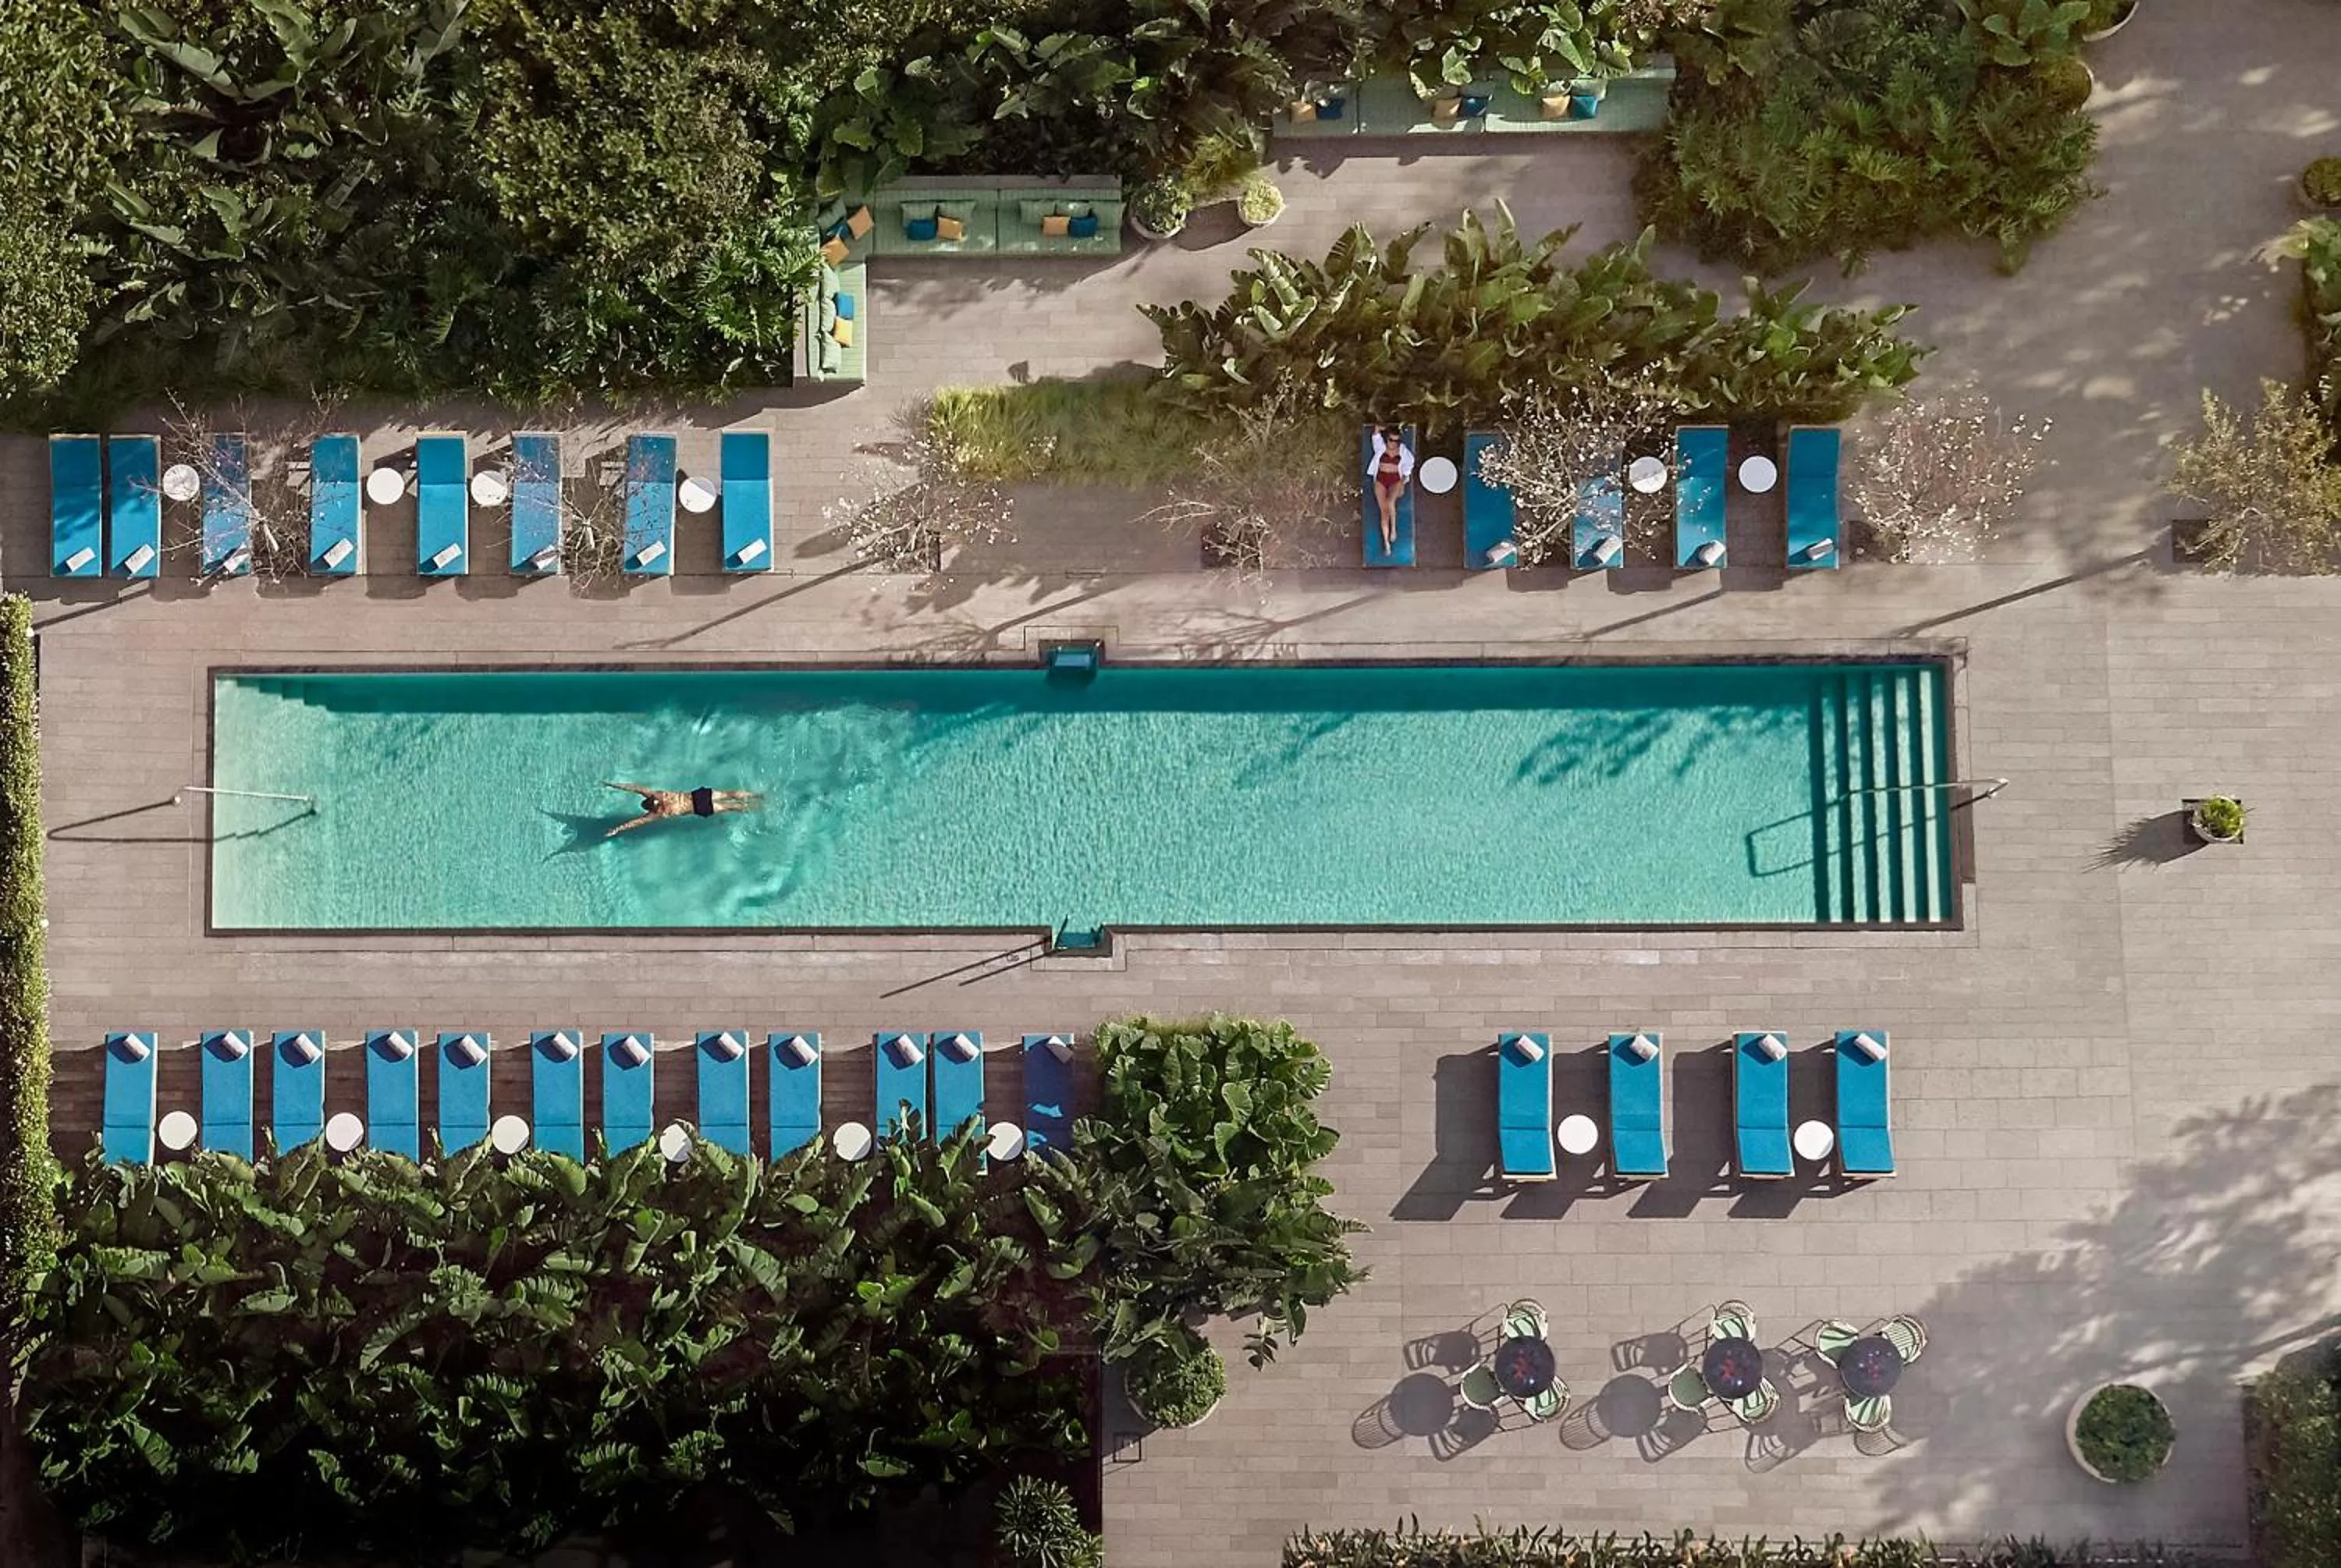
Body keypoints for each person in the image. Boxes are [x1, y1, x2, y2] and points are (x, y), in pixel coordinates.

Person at [602, 782, 762, 838]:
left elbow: (635, 823)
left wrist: (617, 830)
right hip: (696, 796)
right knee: (729, 794)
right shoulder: (657, 794)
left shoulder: (656, 814)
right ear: (649, 799)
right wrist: (613, 785)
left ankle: (758, 808)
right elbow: (634, 788)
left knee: (731, 806)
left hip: (698, 807)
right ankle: (758, 795)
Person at [1365, 424, 1414, 555]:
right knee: (1384, 511)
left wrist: (1403, 483)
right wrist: (1386, 428)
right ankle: (1386, 543)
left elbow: (1409, 466)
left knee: (1391, 502)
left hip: (1395, 479)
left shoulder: (1403, 451)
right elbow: (1376, 430)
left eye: (1397, 441)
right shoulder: (1380, 447)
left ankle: (1393, 529)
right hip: (1381, 479)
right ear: (1387, 439)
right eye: (1391, 440)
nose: (1394, 443)